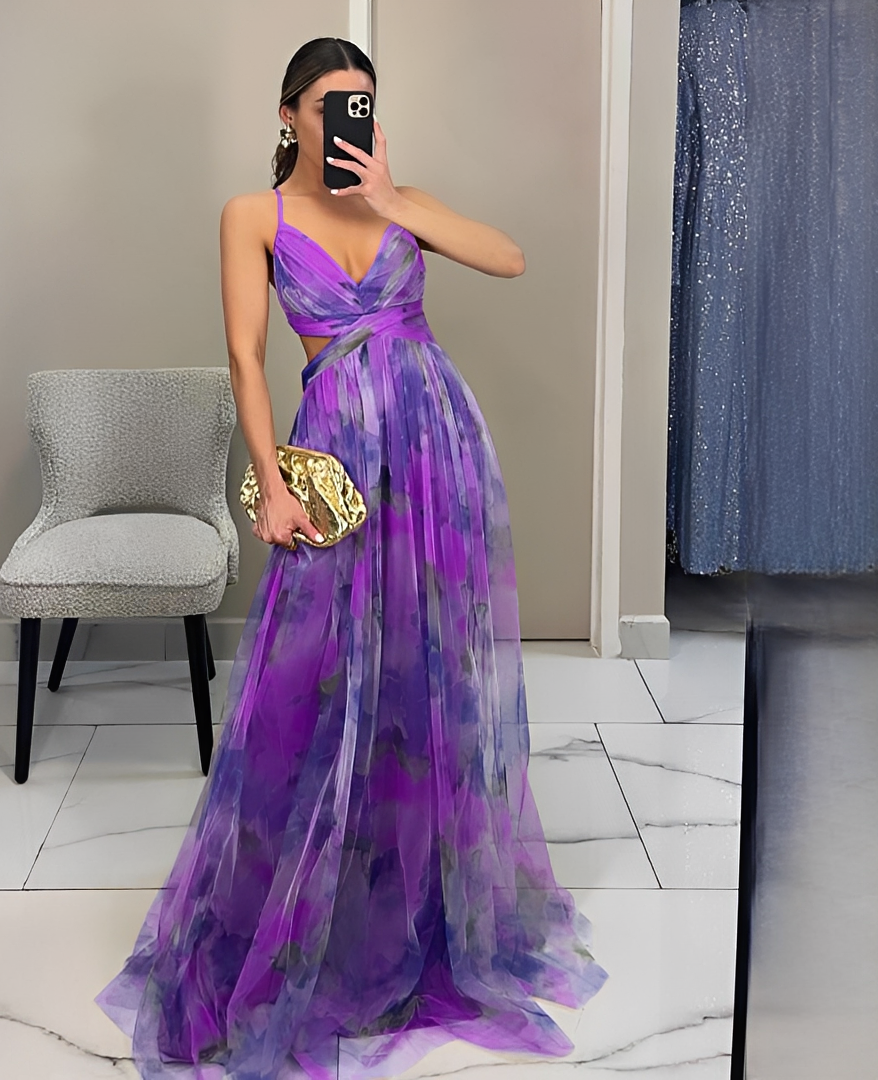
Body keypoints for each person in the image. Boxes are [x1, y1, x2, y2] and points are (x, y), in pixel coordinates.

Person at [97, 37, 607, 1080]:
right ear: (290, 114)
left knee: (427, 670)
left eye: (364, 103)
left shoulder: (399, 199)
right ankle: (310, 912)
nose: (349, 119)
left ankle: (415, 909)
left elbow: (509, 256)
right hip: (334, 456)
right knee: (319, 673)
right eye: (333, 103)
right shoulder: (254, 214)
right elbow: (245, 355)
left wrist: (392, 200)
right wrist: (271, 484)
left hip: (434, 448)